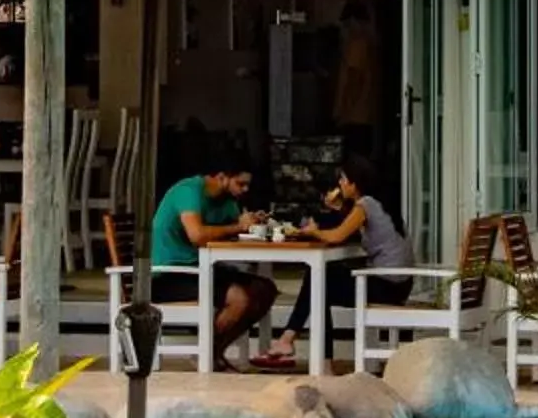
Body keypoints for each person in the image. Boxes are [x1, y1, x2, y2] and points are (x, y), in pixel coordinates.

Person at [258, 155, 413, 369]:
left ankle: (308, 353)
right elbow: (351, 225)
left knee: (320, 280)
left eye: (343, 179)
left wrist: (313, 231)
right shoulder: (380, 203)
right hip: (400, 285)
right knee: (323, 277)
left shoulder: (365, 205)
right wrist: (338, 207)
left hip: (387, 286)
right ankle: (290, 341)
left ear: (354, 183)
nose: (339, 183)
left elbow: (338, 236)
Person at [146, 166, 276, 368]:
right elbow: (197, 235)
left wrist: (252, 222)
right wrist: (238, 226)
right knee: (239, 298)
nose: (245, 190)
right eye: (240, 184)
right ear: (222, 177)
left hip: (201, 268)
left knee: (265, 289)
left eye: (247, 185)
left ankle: (212, 351)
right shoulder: (188, 191)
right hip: (169, 274)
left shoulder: (227, 200)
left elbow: (232, 228)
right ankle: (207, 353)